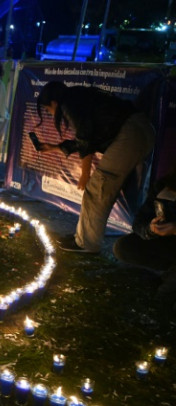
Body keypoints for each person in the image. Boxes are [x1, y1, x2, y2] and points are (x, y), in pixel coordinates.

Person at [35, 80, 156, 253]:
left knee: (97, 187)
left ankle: (86, 244)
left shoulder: (69, 103)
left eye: (48, 110)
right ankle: (83, 239)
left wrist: (85, 174)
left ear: (54, 103)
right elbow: (88, 137)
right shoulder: (78, 96)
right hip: (140, 130)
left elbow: (85, 139)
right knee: (101, 188)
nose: (50, 113)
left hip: (131, 134)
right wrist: (54, 147)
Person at [113, 171, 176, 309]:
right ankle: (169, 272)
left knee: (164, 297)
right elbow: (139, 222)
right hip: (168, 244)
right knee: (123, 247)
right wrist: (151, 229)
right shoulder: (163, 185)